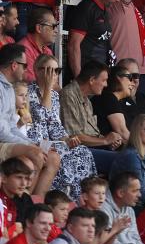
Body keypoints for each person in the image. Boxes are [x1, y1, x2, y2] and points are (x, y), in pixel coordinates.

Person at [27, 54, 98, 199]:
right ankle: (55, 199)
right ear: (37, 70)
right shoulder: (28, 92)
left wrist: (67, 139)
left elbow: (55, 125)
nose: (54, 75)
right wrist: (47, 89)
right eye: (49, 70)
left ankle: (79, 200)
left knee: (82, 151)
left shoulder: (54, 96)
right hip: (35, 139)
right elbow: (41, 120)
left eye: (57, 71)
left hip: (53, 140)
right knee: (63, 156)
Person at [0, 44, 60, 187]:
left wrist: (32, 143)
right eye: (25, 65)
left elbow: (11, 127)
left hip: (6, 140)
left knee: (53, 158)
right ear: (14, 65)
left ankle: (35, 203)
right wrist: (29, 146)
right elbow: (2, 131)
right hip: (1, 141)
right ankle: (24, 202)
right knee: (36, 155)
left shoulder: (8, 87)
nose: (26, 70)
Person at [60, 60, 119, 173]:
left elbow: (93, 133)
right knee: (122, 160)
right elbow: (74, 136)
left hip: (95, 147)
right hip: (80, 151)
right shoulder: (68, 95)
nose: (106, 85)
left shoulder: (87, 100)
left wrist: (111, 141)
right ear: (92, 80)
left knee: (135, 155)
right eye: (104, 80)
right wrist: (105, 141)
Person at [67, 0, 126, 78]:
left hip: (100, 77)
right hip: (87, 76)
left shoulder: (104, 11)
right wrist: (79, 79)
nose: (118, 0)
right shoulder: (86, 8)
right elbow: (73, 45)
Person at [109, 113, 145, 209]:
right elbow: (141, 191)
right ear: (137, 132)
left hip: (139, 205)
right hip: (126, 207)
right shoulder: (131, 156)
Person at [92, 59, 141, 144]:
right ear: (118, 78)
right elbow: (123, 133)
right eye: (129, 78)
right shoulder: (108, 97)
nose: (133, 83)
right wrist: (144, 149)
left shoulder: (116, 99)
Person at [16, 7, 56, 83]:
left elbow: (53, 82)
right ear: (39, 28)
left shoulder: (47, 50)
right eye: (53, 26)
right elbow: (33, 82)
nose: (56, 31)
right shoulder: (23, 49)